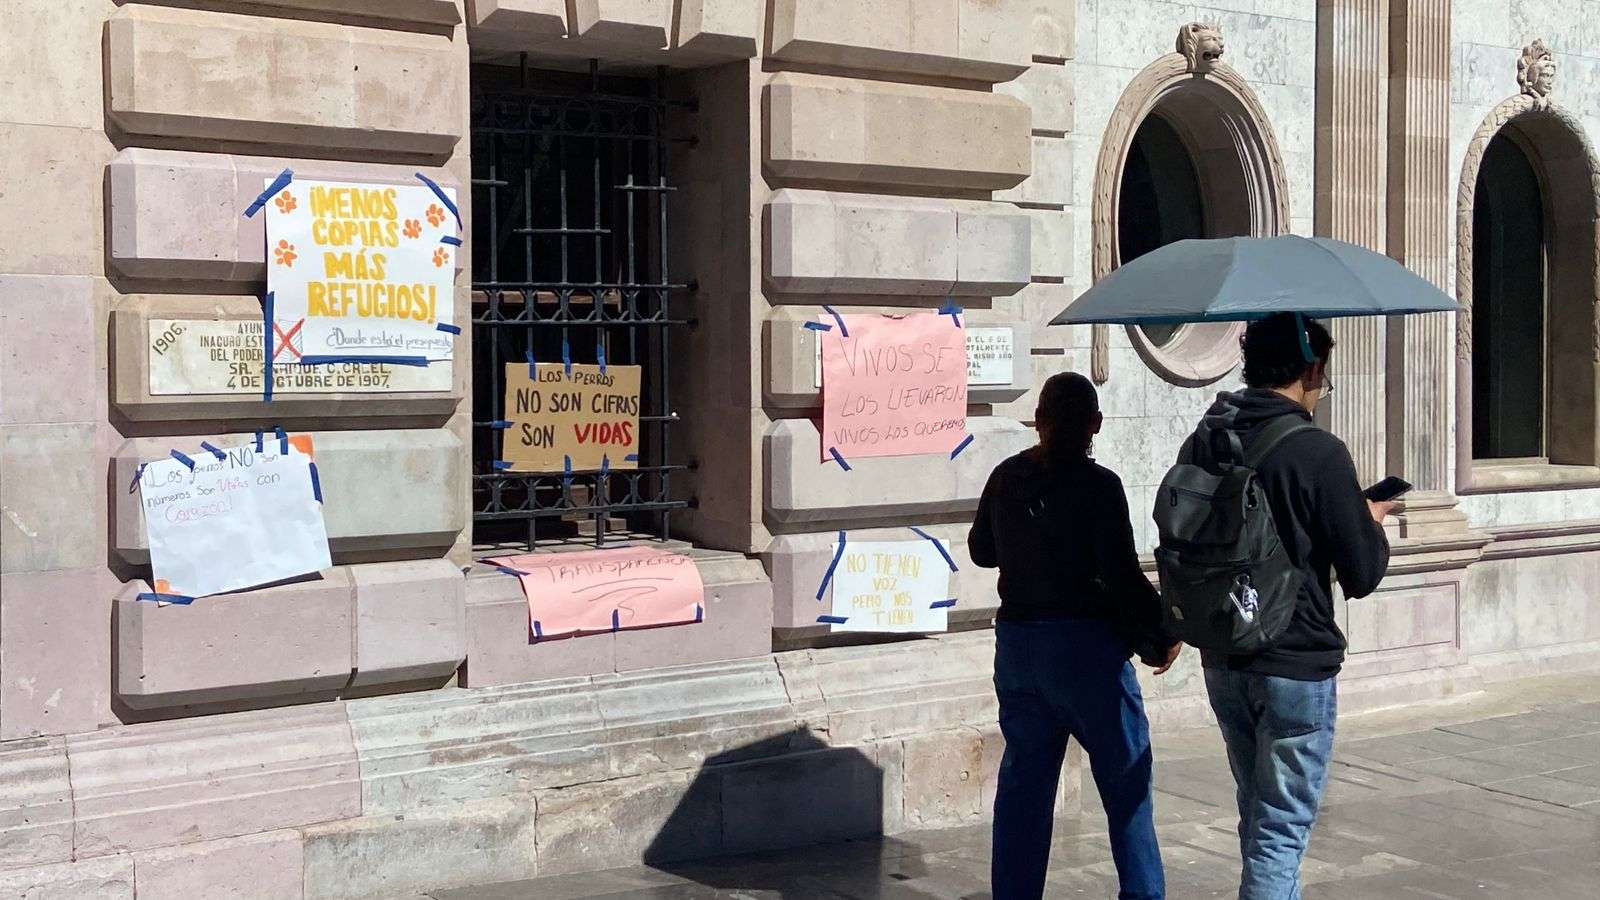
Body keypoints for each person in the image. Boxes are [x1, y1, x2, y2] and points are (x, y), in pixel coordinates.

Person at [1186, 313, 1391, 900]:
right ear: (1311, 369)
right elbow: (1362, 572)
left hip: (1224, 651)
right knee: (1280, 831)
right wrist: (1370, 520)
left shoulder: (1207, 437)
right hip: (1295, 659)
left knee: (1258, 814)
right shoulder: (1317, 452)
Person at [970, 371, 1182, 900]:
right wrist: (1163, 632)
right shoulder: (1100, 486)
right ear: (1096, 424)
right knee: (1127, 783)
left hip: (1020, 648)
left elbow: (981, 551)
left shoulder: (1007, 476)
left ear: (1038, 420)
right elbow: (1123, 576)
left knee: (1024, 790)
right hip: (1086, 652)